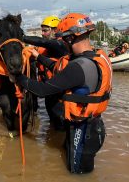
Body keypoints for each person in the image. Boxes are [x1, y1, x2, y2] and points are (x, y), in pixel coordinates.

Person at [16, 13, 112, 173]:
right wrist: (38, 57)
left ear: (69, 39)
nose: (61, 42)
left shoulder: (78, 67)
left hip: (83, 133)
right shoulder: (97, 57)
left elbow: (42, 89)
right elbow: (58, 69)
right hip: (93, 127)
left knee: (77, 174)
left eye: (63, 39)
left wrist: (18, 77)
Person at [23, 16, 70, 129]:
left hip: (60, 93)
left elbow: (43, 42)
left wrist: (22, 37)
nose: (43, 33)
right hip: (48, 90)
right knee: (52, 122)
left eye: (45, 30)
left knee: (60, 123)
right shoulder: (46, 48)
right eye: (42, 31)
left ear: (55, 30)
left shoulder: (60, 45)